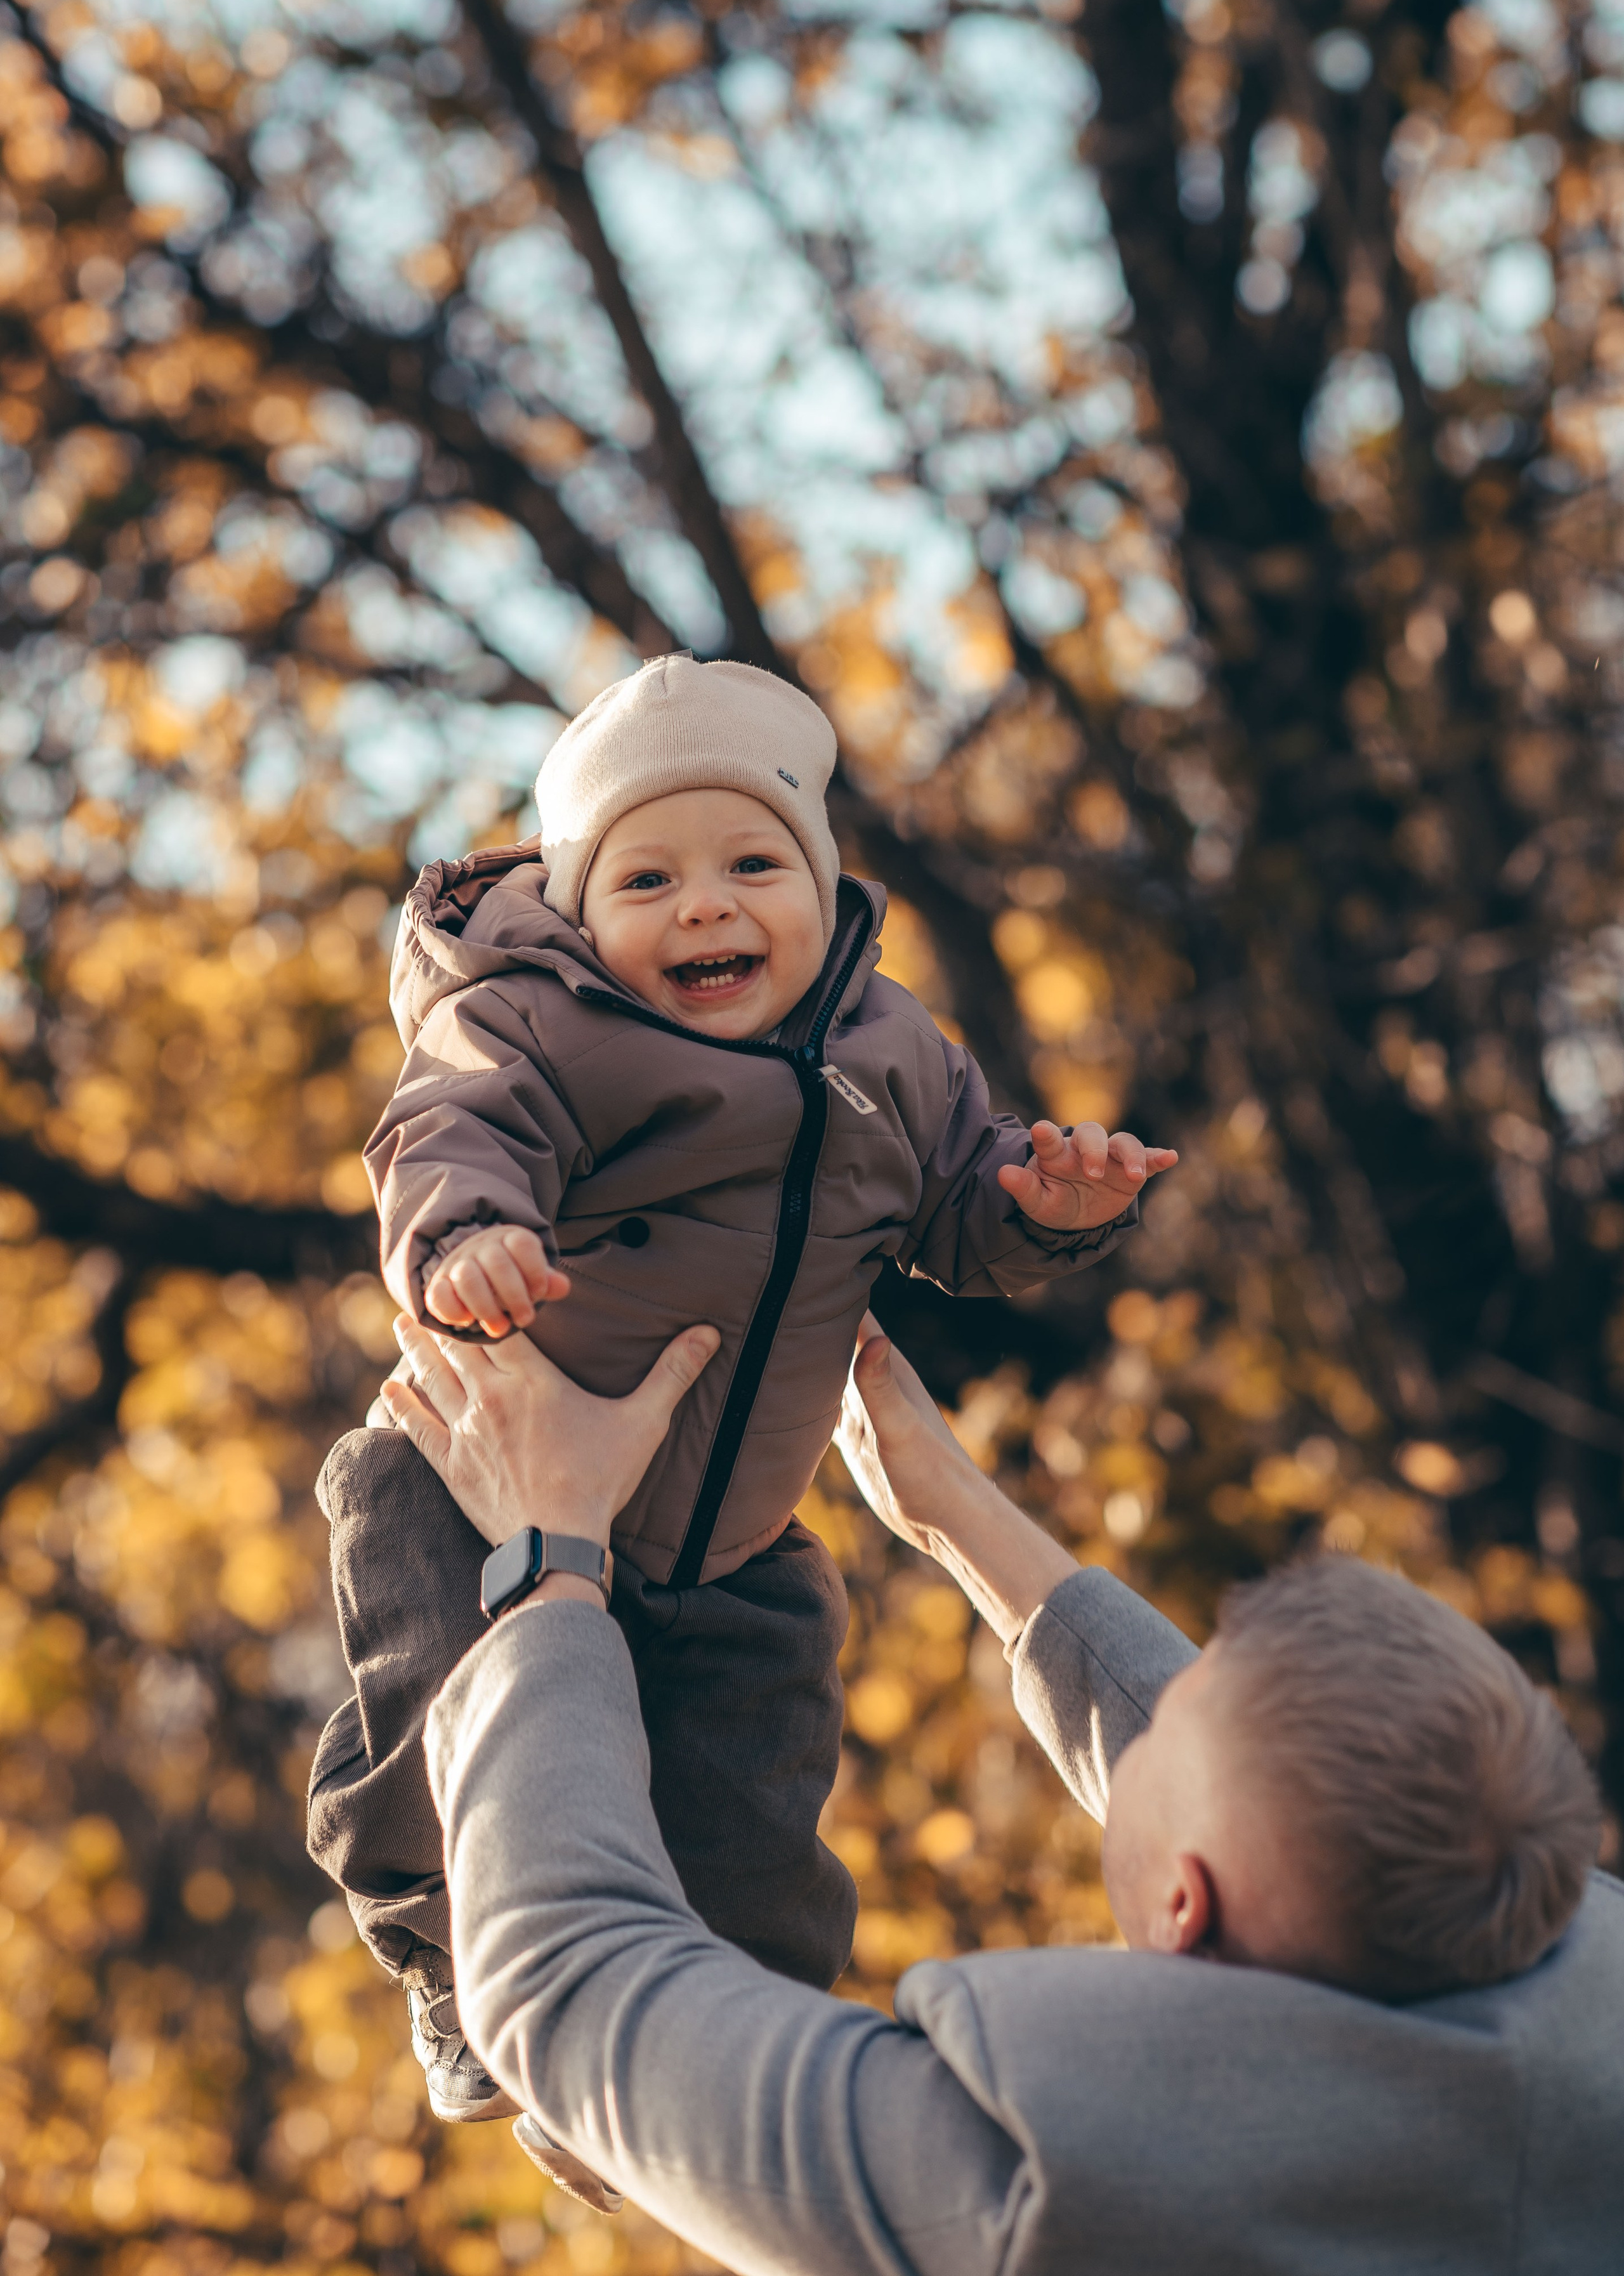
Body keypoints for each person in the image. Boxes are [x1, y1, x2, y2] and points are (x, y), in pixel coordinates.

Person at [306, 651, 1175, 2119]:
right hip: (477, 1483)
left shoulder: (891, 1050)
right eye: (642, 880)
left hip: (733, 1544)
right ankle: (454, 1974)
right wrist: (468, 1236)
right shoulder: (527, 1018)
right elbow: (447, 1127)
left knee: (759, 1826)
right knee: (436, 1728)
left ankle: (746, 2069)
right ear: (578, 914)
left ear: (824, 886)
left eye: (750, 861)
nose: (703, 903)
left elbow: (956, 1205)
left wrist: (1045, 1204)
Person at [387, 1307, 1624, 2273]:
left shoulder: (1035, 2187)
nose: (1155, 1703)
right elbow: (1307, 1783)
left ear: (1180, 1906)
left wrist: (548, 1560)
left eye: (1161, 1733)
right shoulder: (1563, 1938)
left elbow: (570, 1979)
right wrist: (952, 1509)